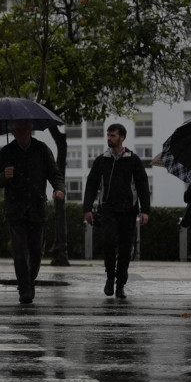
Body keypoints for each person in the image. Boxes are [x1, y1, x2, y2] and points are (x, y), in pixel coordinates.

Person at [0, 119, 65, 304]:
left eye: (26, 129)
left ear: (30, 130)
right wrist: (4, 176)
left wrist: (59, 189)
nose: (23, 132)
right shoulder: (6, 153)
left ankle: (28, 280)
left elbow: (54, 173)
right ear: (13, 131)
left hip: (37, 208)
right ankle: (24, 288)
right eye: (19, 129)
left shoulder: (42, 149)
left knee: (36, 251)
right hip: (15, 210)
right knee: (19, 250)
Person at [81, 123, 150, 299]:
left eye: (113, 135)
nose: (109, 138)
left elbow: (142, 185)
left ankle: (121, 284)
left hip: (128, 211)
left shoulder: (133, 160)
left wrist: (145, 211)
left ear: (122, 137)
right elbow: (91, 184)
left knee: (126, 249)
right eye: (108, 135)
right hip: (108, 210)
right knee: (108, 242)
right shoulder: (102, 160)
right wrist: (87, 208)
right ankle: (110, 278)